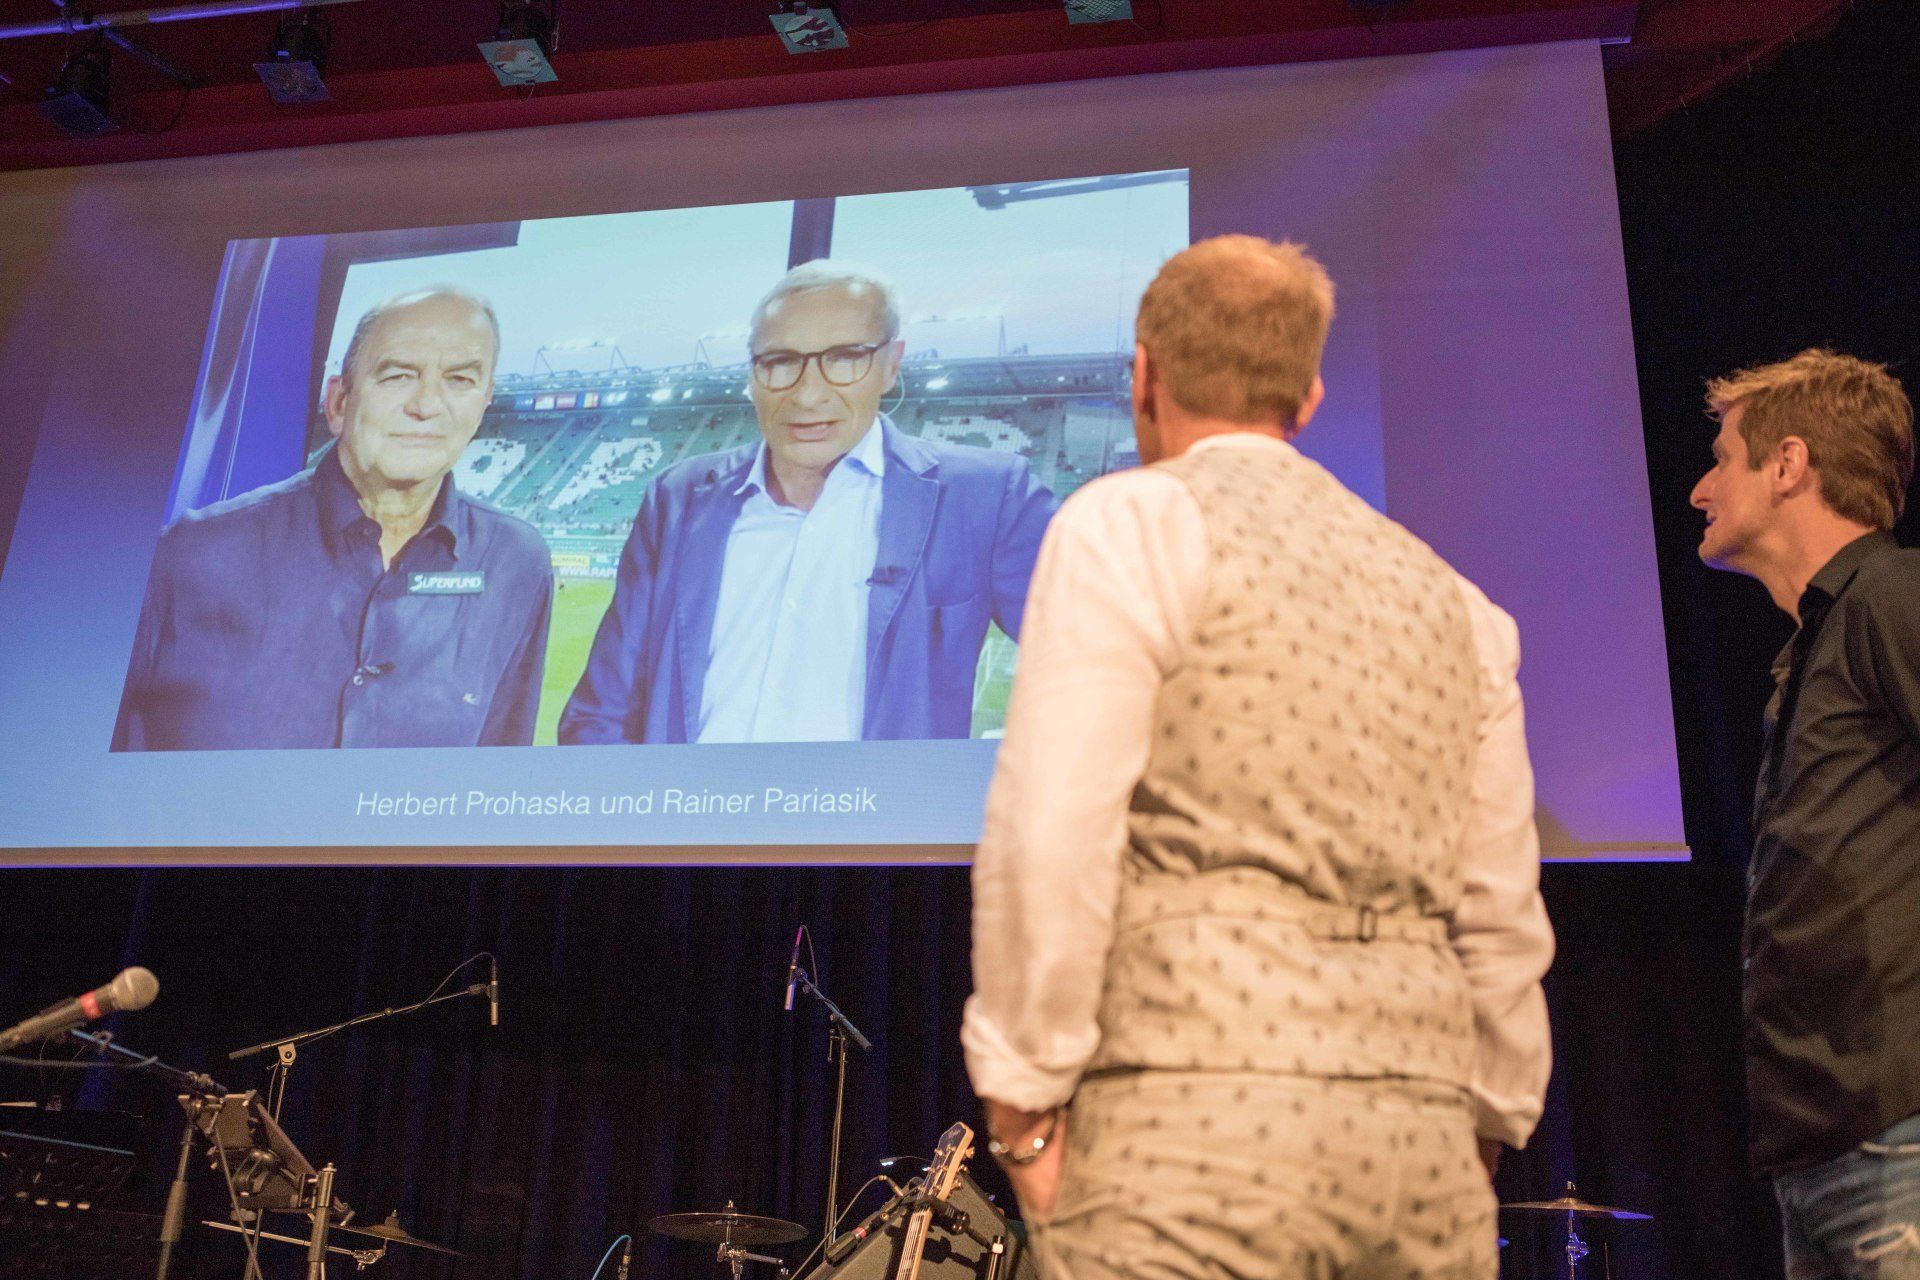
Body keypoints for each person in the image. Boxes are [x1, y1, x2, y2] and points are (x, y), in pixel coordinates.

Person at [962, 235, 1553, 1280]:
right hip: (1421, 1160)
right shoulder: (1461, 604)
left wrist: (1021, 1108)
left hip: (1189, 1140)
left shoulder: (1130, 524)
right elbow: (1501, 910)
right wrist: (1484, 1122)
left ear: (1143, 375)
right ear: (1309, 393)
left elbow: (1050, 835)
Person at [558, 261, 1055, 745]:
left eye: (845, 358)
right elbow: (599, 714)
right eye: (780, 363)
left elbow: (1105, 667)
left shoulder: (985, 496)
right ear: (753, 376)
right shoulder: (678, 499)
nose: (809, 394)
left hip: (876, 826)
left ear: (891, 365)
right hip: (686, 820)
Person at [1688, 349, 1919, 1279]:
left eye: (1720, 459)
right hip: (1823, 1154)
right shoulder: (1812, 646)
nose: (1701, 489)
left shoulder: (1892, 598)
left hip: (1896, 1137)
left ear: (1787, 465)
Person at [113, 287, 554, 750]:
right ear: (340, 401)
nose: (427, 405)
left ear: (485, 401)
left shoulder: (516, 564)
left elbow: (493, 776)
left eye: (460, 380)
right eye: (399, 375)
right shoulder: (187, 558)